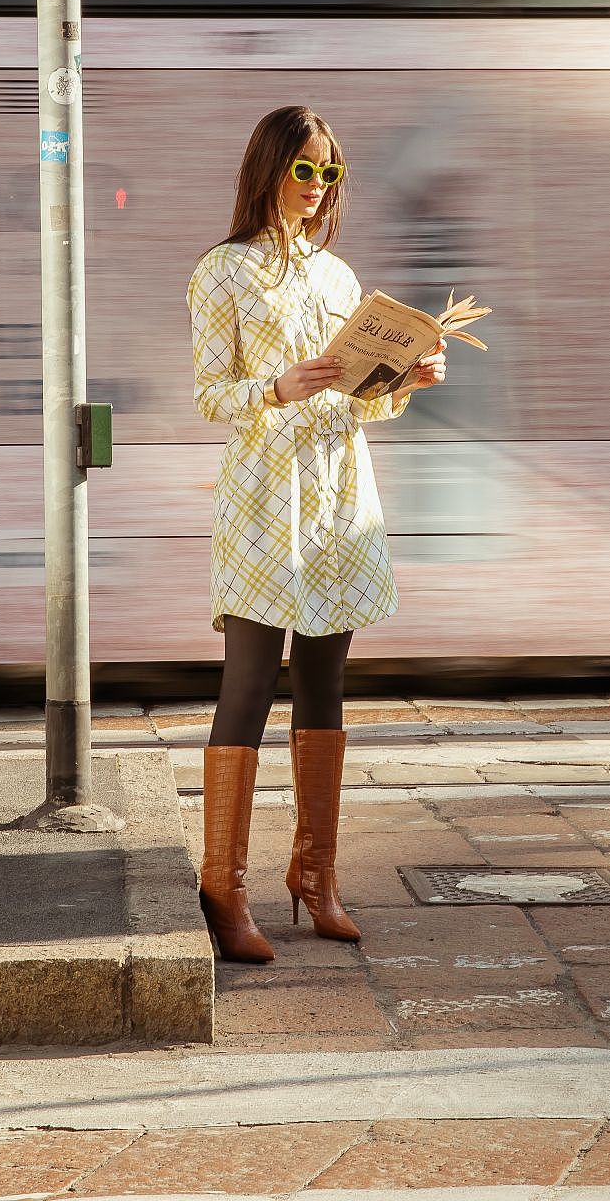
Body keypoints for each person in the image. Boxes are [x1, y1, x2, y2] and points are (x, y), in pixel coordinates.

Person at [186, 105, 447, 964]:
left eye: (329, 172)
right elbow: (211, 395)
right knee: (252, 681)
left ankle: (315, 876)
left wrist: (407, 377)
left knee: (327, 679)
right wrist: (279, 386)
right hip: (264, 496)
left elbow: (364, 396)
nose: (316, 187)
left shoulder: (341, 280)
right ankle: (223, 889)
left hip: (339, 493)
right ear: (268, 169)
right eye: (305, 169)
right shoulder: (222, 274)